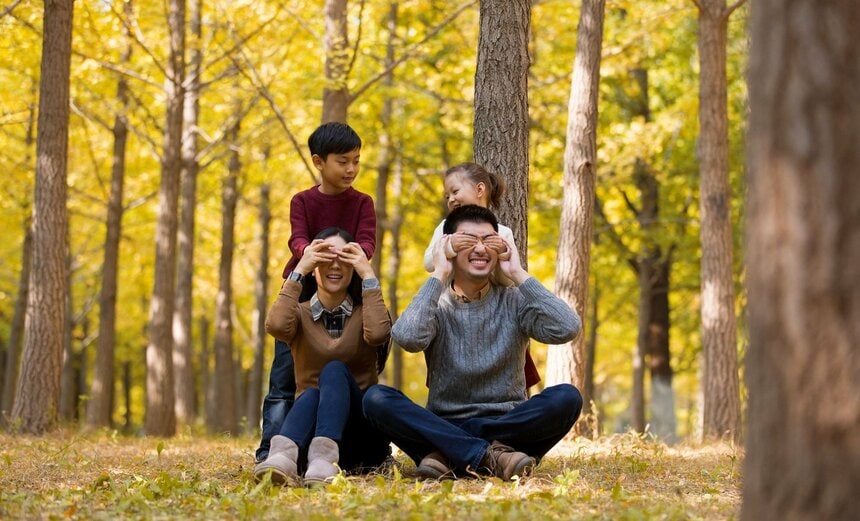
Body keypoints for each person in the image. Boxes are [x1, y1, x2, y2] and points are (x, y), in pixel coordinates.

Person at [363, 205, 583, 481]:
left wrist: (518, 273)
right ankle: (493, 456)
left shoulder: (514, 300)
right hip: (444, 423)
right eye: (467, 240)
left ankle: (449, 453)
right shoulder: (435, 302)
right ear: (449, 249)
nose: (480, 248)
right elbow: (407, 338)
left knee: (566, 397)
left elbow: (568, 327)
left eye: (489, 240)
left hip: (507, 424)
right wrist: (439, 274)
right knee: (377, 399)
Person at [256, 122, 377, 463]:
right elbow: (296, 239)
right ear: (318, 162)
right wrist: (310, 252)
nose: (351, 168)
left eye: (356, 160)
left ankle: (345, 440)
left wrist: (354, 254)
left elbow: (367, 239)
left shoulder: (362, 202)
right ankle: (270, 450)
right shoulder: (303, 201)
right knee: (283, 377)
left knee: (356, 361)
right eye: (343, 161)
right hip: (304, 286)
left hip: (347, 288)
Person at [254, 228, 392, 486]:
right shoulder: (299, 314)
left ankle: (320, 458)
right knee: (311, 394)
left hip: (361, 438)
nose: (335, 266)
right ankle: (285, 458)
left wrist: (368, 272)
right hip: (309, 435)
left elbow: (379, 333)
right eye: (325, 258)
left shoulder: (366, 313)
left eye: (344, 259)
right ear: (314, 265)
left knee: (334, 370)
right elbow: (275, 326)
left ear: (354, 266)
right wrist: (299, 269)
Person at [422, 162, 541, 389]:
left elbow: (507, 281)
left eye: (455, 191)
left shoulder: (502, 232)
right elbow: (429, 262)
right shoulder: (446, 227)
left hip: (495, 312)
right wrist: (448, 248)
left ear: (479, 190)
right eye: (447, 196)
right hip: (454, 309)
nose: (451, 200)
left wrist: (502, 255)